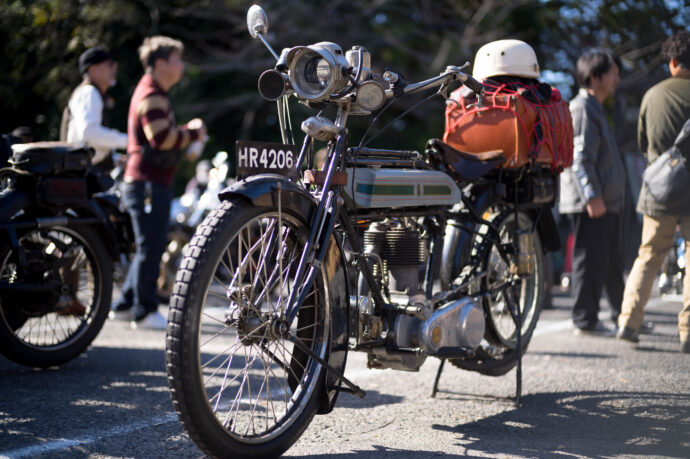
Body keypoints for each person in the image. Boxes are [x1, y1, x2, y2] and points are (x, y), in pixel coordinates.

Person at [111, 36, 206, 330]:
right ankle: (144, 311)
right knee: (151, 246)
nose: (181, 66)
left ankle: (126, 305)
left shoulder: (150, 91)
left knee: (146, 245)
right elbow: (161, 138)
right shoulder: (152, 92)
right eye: (177, 59)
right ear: (160, 63)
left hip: (145, 181)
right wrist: (192, 132)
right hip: (149, 182)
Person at [617, 31, 690, 353]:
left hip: (660, 188)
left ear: (672, 61)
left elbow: (645, 146)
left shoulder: (653, 94)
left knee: (648, 256)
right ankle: (688, 333)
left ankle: (629, 323)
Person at [559, 49, 626, 336]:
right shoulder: (584, 107)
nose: (617, 78)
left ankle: (623, 317)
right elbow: (580, 158)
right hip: (592, 202)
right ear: (595, 77)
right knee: (589, 261)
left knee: (609, 260)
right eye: (612, 72)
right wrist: (592, 196)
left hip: (602, 200)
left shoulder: (595, 107)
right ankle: (585, 321)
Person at [61, 46, 128, 170]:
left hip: (83, 172)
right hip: (82, 176)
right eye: (109, 64)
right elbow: (89, 133)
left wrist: (115, 158)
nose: (114, 69)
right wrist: (128, 141)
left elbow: (87, 142)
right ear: (92, 69)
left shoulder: (88, 92)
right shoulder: (89, 92)